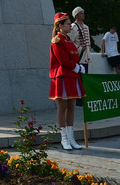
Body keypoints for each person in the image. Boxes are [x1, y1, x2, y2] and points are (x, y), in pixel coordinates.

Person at [49, 12, 84, 151]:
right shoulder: (57, 40)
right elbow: (62, 59)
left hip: (72, 74)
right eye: (68, 24)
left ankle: (71, 138)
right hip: (63, 75)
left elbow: (73, 56)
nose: (71, 26)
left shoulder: (68, 39)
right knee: (62, 106)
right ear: (60, 25)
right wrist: (77, 67)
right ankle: (64, 138)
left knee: (72, 106)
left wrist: (78, 66)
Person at [70, 7, 91, 76]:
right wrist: (80, 48)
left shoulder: (86, 27)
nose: (83, 15)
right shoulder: (73, 27)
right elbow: (70, 42)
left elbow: (88, 42)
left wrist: (88, 49)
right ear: (76, 15)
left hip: (86, 56)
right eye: (81, 13)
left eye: (83, 13)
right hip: (78, 55)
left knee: (85, 75)